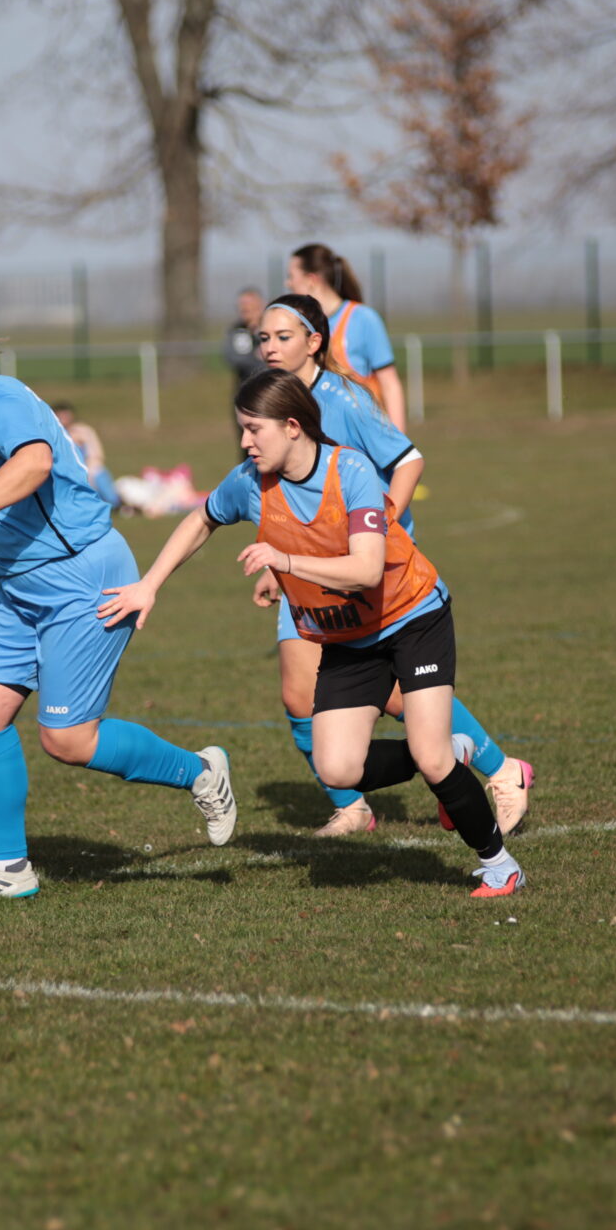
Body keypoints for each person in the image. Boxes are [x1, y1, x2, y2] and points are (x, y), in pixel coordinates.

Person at [98, 369, 526, 898]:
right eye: (242, 429)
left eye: (254, 429)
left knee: (431, 756)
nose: (245, 442)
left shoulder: (351, 471)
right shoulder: (249, 483)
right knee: (338, 769)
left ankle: (499, 865)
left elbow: (366, 569)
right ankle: (446, 752)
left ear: (293, 426)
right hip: (346, 636)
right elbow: (201, 519)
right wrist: (149, 585)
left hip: (411, 616)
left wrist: (284, 562)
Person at [0, 304, 238, 905]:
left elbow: (35, 461)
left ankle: (202, 773)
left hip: (81, 579)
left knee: (69, 740)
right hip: (20, 588)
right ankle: (10, 867)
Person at [252, 293, 532, 838]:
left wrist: (377, 529)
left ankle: (498, 769)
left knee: (393, 695)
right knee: (298, 694)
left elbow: (409, 460)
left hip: (365, 573)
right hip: (307, 573)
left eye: (283, 337)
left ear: (314, 342)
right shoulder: (269, 403)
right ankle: (353, 805)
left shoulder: (344, 399)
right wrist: (279, 564)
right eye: (263, 338)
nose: (270, 347)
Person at [286, 244, 407, 431]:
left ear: (311, 280)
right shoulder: (299, 324)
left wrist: (397, 439)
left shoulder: (363, 318)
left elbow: (389, 383)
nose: (288, 283)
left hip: (361, 434)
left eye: (291, 276)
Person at [52, 402, 121, 508]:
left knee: (101, 478)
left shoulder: (83, 431)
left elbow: (96, 455)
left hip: (89, 470)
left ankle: (114, 503)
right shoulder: (53, 434)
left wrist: (87, 472)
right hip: (65, 472)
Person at [222, 288, 265, 384]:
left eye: (248, 303)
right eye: (241, 304)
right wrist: (257, 358)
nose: (243, 307)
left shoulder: (270, 327)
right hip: (246, 385)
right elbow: (234, 358)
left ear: (260, 305)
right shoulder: (237, 330)